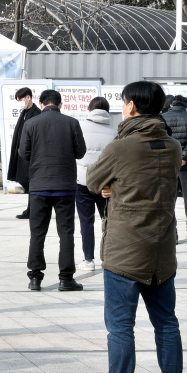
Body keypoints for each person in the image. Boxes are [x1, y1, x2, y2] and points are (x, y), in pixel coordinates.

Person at [83, 81, 183, 373]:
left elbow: (93, 182)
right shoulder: (172, 146)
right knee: (167, 324)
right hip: (162, 249)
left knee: (121, 326)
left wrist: (112, 187)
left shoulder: (121, 146)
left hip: (125, 248)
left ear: (130, 106)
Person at [21, 89, 87, 291]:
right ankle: (66, 278)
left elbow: (23, 152)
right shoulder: (71, 123)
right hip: (65, 187)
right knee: (66, 233)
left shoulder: (30, 124)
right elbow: (80, 152)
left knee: (37, 233)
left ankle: (35, 278)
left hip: (39, 186)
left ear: (41, 104)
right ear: (60, 104)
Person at [76, 97, 116, 269]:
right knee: (108, 220)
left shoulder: (80, 127)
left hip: (83, 181)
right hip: (105, 184)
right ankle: (109, 257)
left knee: (86, 221)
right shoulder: (114, 132)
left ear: (89, 109)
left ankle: (88, 259)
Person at [162, 95, 187, 241]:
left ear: (172, 104)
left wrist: (175, 157)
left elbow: (162, 139)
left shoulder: (163, 118)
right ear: (186, 106)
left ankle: (174, 233)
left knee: (169, 199)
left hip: (168, 165)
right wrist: (184, 157)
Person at [8, 87, 42, 219]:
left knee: (30, 182)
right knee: (25, 181)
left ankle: (32, 210)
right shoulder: (24, 113)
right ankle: (31, 209)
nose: (20, 102)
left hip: (30, 155)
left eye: (21, 99)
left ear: (28, 97)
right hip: (21, 153)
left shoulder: (36, 113)